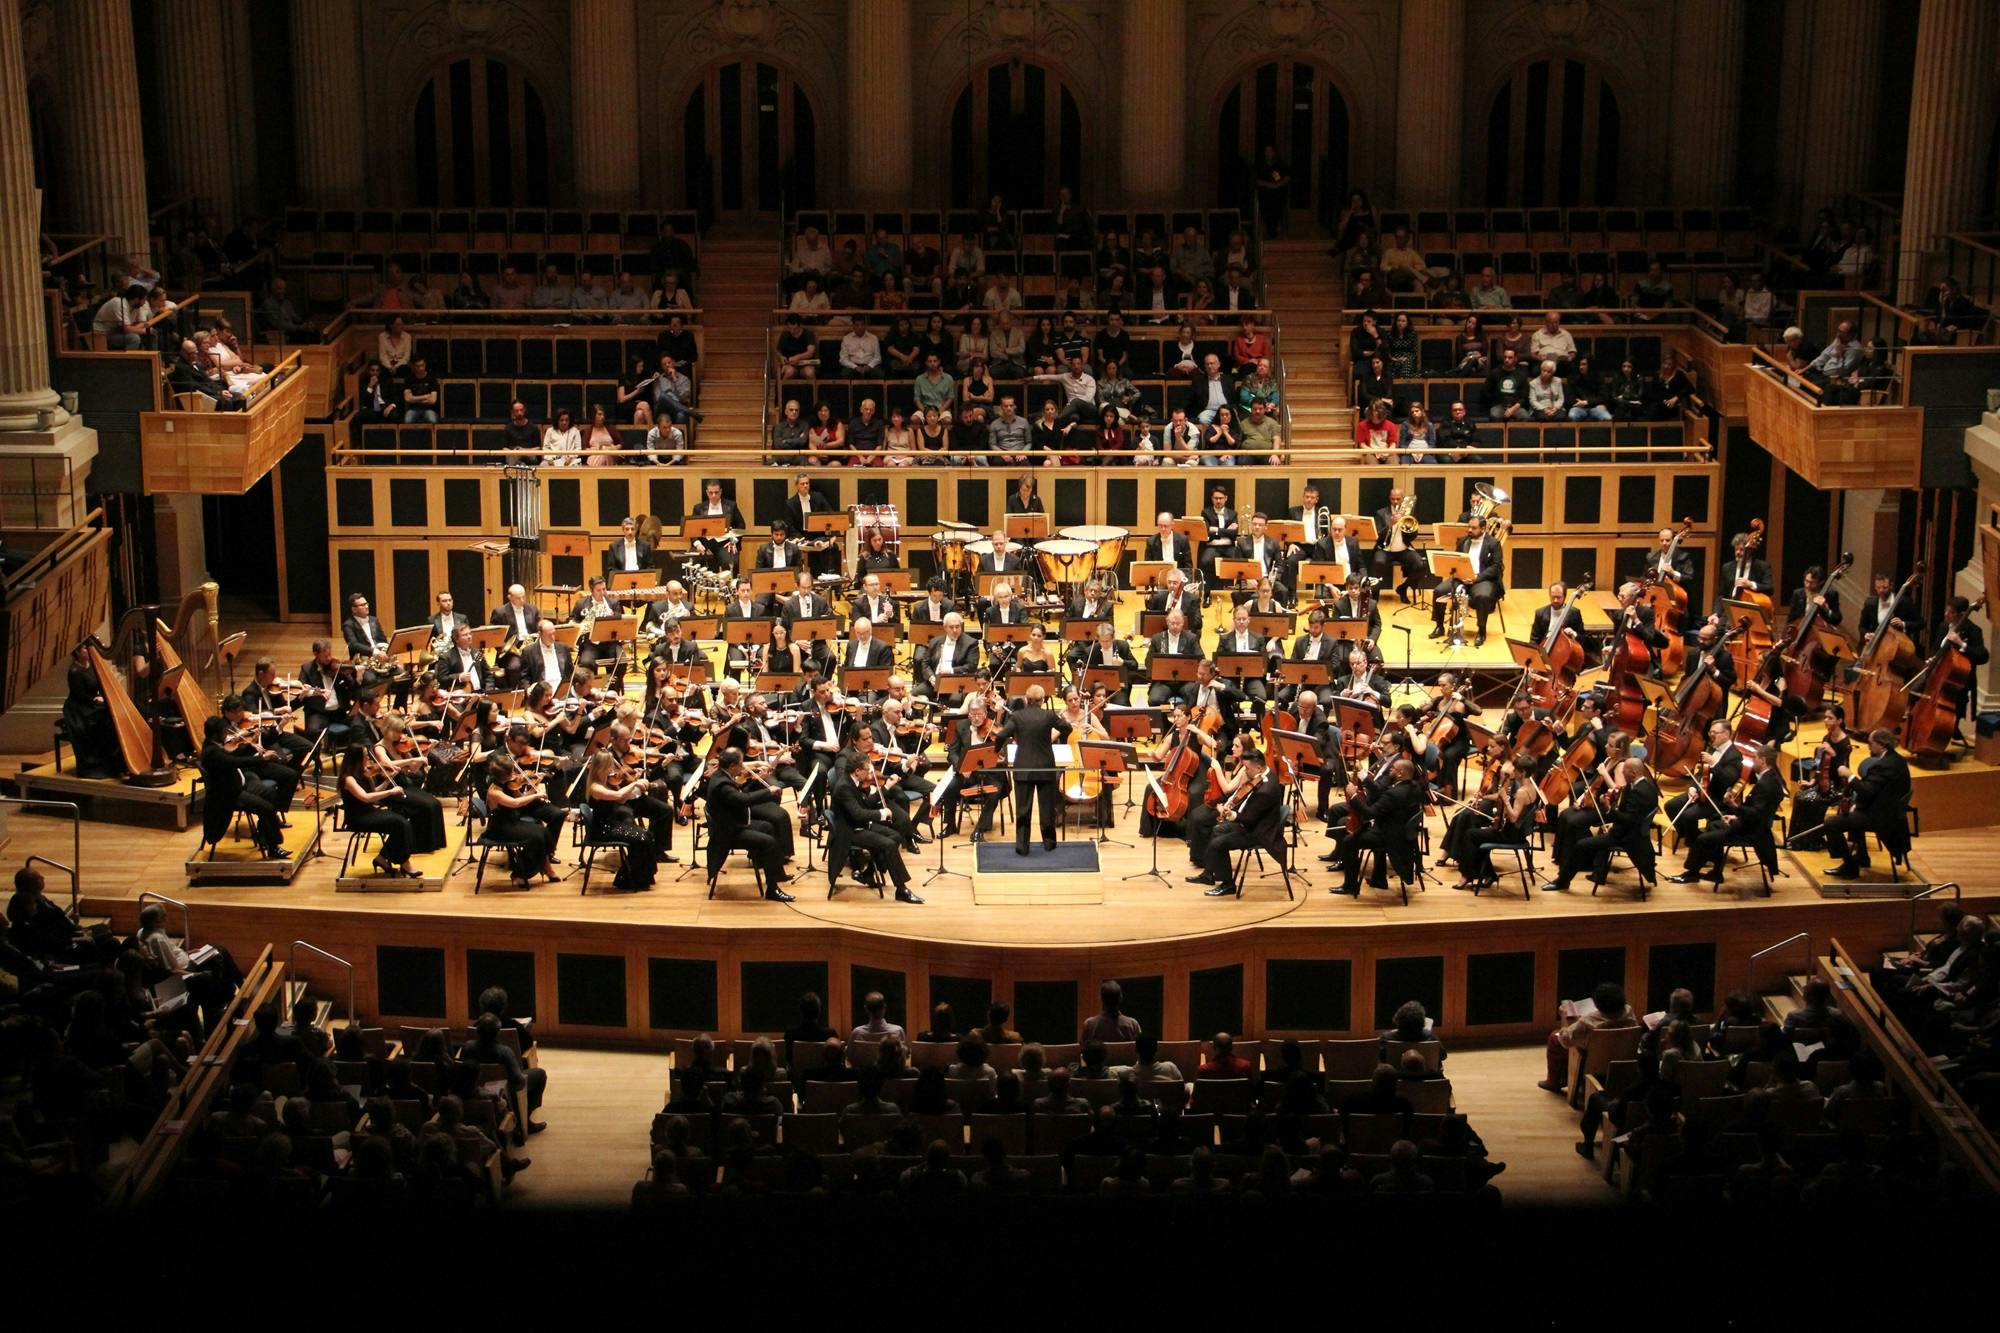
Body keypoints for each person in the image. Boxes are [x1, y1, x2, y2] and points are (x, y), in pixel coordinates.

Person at [994, 684, 1072, 855]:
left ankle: (1022, 846)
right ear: (1043, 700)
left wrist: (996, 751)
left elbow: (1000, 735)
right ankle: (1049, 843)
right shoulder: (1049, 715)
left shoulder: (1017, 716)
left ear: (1026, 700)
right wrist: (1062, 721)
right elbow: (1067, 729)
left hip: (1023, 768)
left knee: (1023, 809)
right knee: (1047, 808)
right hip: (1045, 768)